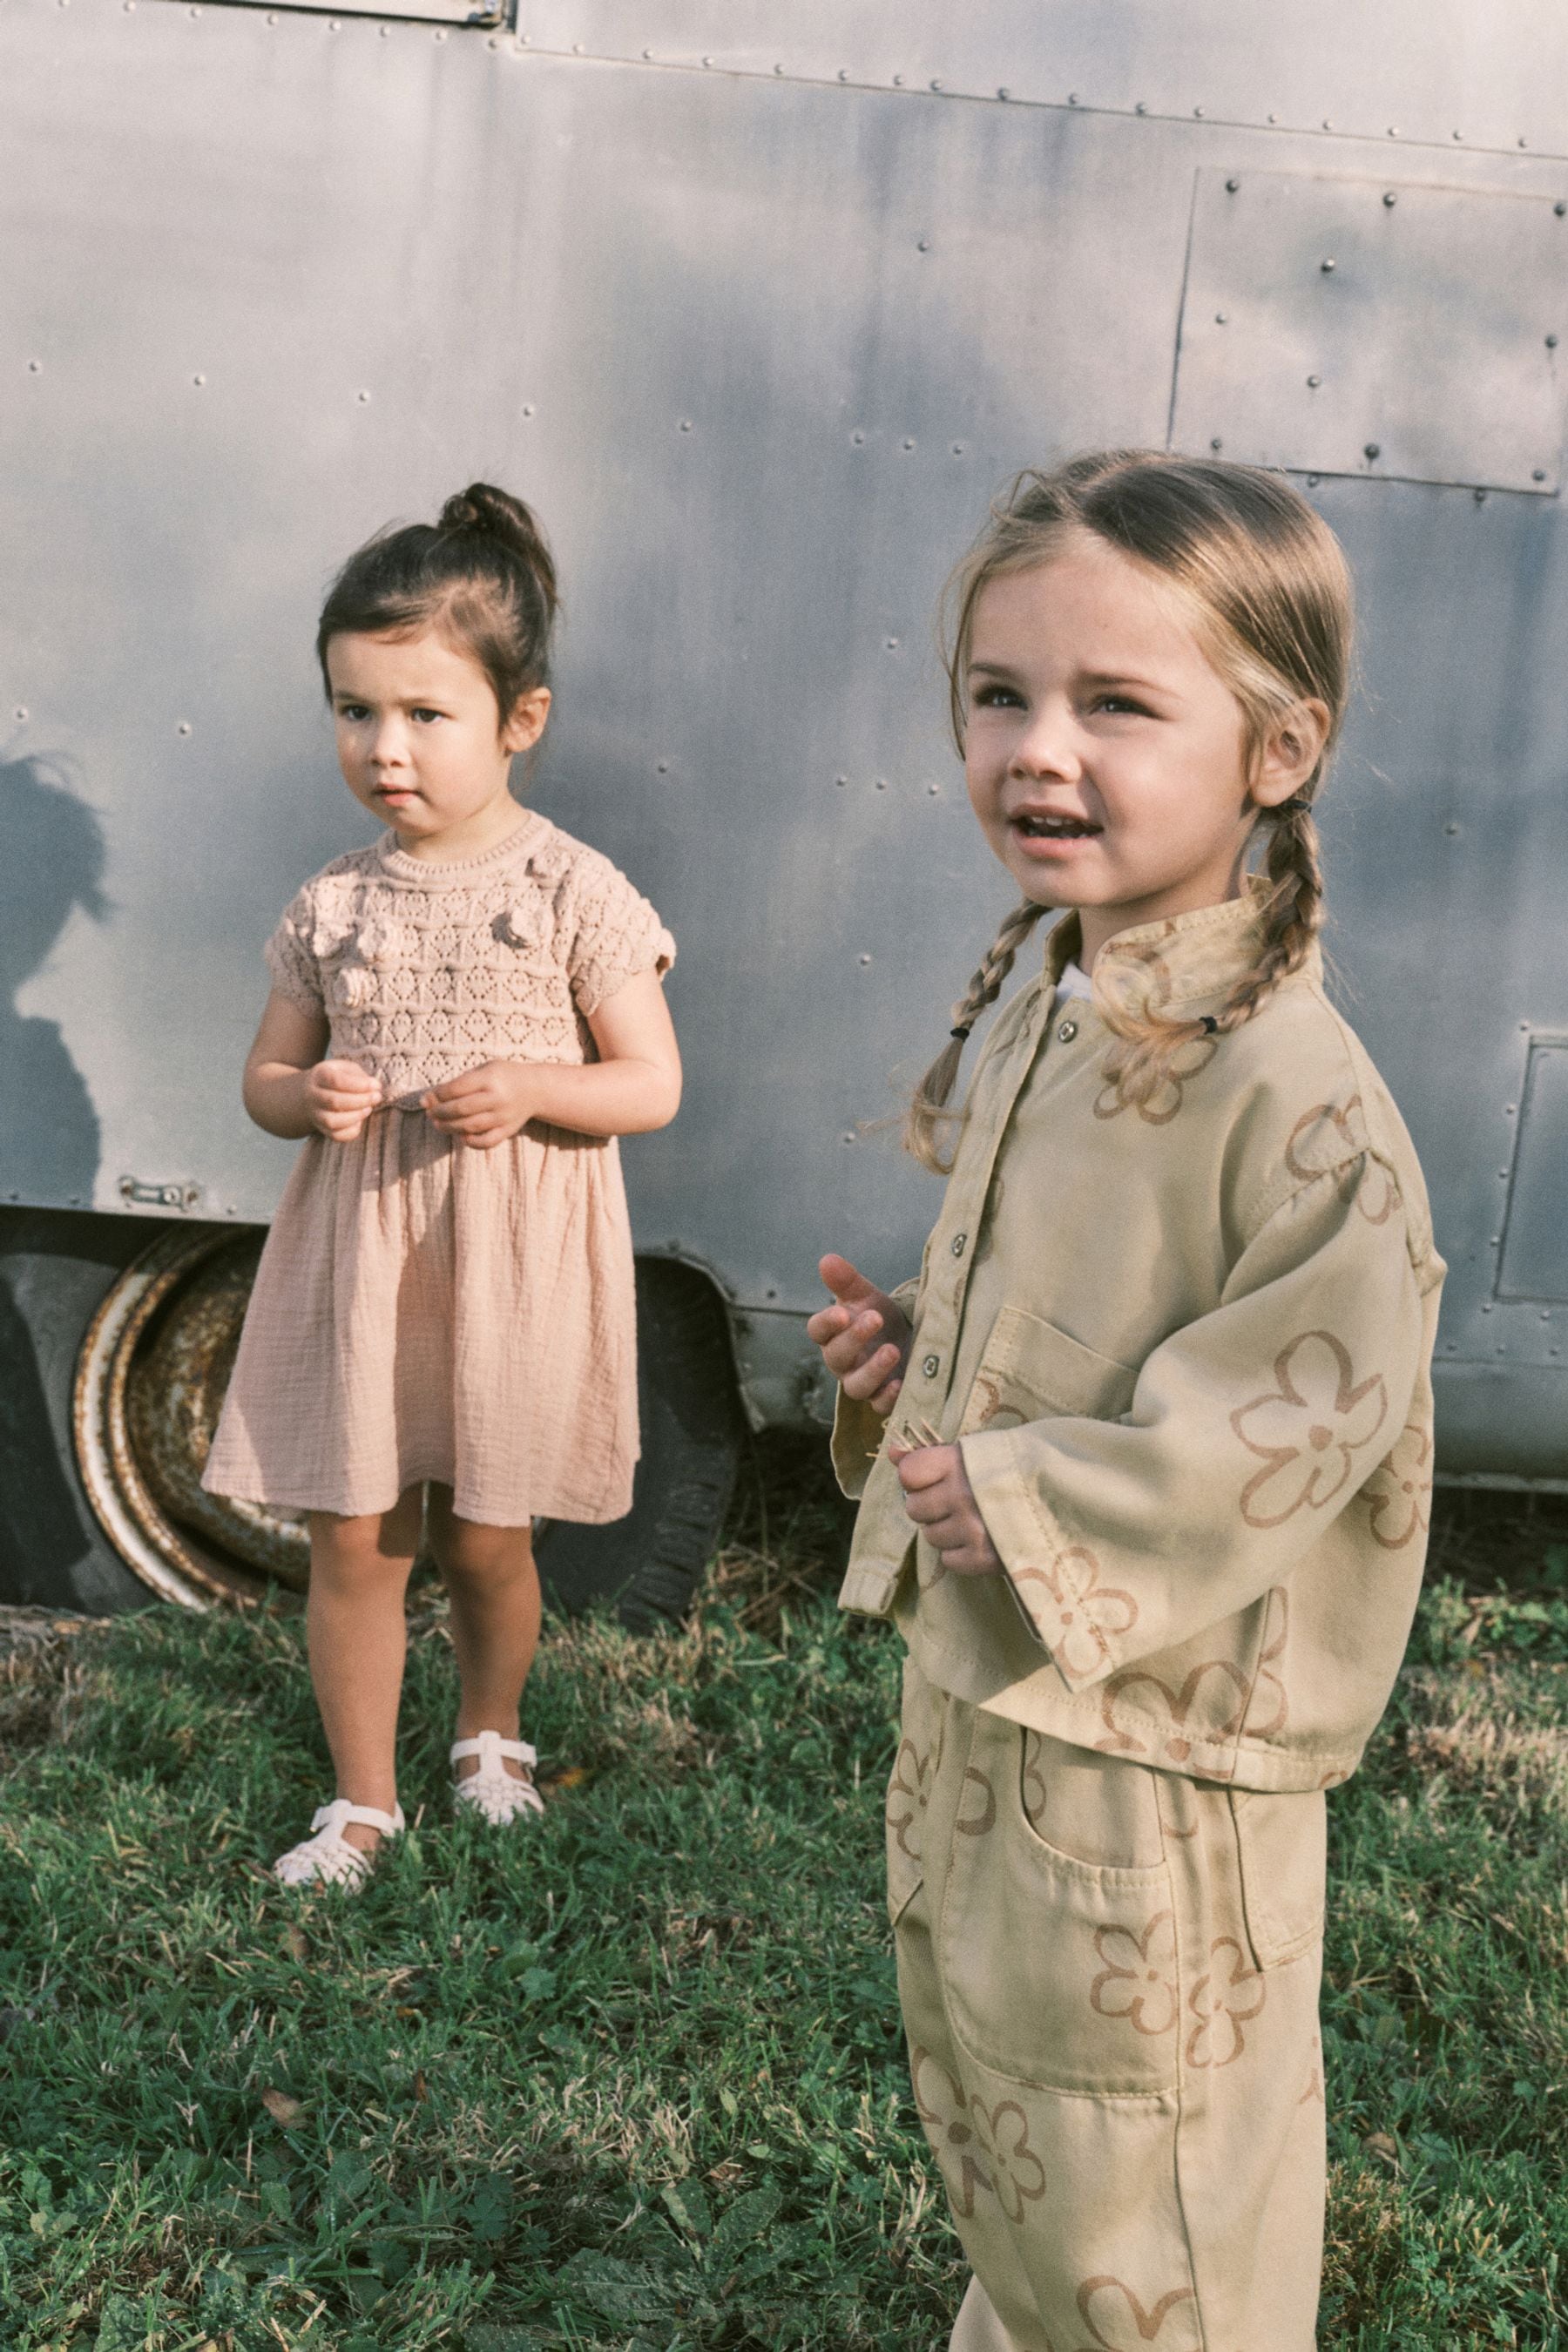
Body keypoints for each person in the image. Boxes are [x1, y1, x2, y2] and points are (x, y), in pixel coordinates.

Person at [809, 451, 1443, 2351]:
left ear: (1276, 748)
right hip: (1003, 1712)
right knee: (1024, 2126)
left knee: (1155, 2178)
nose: (1037, 750)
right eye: (1000, 695)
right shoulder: (1078, 997)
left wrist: (1034, 1493)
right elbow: (1113, 1303)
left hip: (1153, 1770)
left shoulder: (1296, 1093)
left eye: (1114, 703)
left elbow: (1306, 1401)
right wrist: (930, 1352)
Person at [204, 483, 681, 1889]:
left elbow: (649, 1084)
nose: (384, 749)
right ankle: (362, 1801)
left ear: (518, 719)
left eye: (424, 715)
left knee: (486, 1535)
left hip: (509, 1260)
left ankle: (489, 1731)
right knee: (355, 1536)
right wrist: (312, 1096)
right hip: (367, 1253)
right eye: (356, 712)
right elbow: (263, 1080)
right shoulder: (333, 904)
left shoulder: (576, 891)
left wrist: (538, 1087)